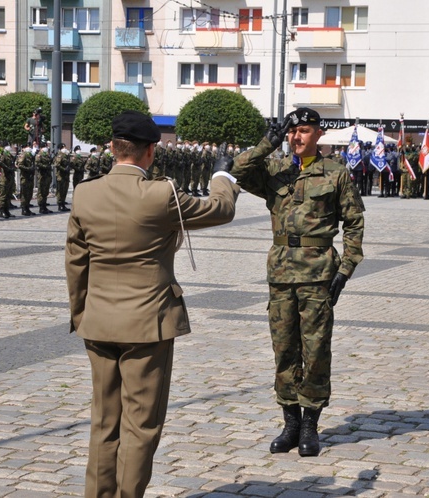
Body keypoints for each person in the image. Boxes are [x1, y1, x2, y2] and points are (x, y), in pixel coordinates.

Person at [65, 110, 239, 497]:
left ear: (112, 148)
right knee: (141, 427)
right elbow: (221, 210)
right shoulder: (161, 194)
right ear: (150, 153)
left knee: (103, 423)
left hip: (98, 322)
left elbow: (76, 262)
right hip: (147, 324)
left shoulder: (84, 192)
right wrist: (222, 177)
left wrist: (82, 314)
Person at [230, 107, 365, 458]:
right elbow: (238, 169)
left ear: (318, 135)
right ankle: (290, 422)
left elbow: (354, 223)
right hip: (280, 274)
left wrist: (346, 269)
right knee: (284, 350)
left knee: (316, 350)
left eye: (304, 130)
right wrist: (266, 143)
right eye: (292, 131)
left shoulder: (336, 173)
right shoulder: (275, 170)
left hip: (319, 275)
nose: (296, 137)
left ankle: (310, 425)